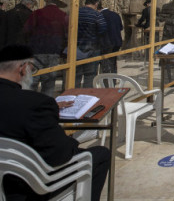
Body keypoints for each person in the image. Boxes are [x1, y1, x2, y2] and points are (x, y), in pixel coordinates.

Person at [0, 45, 110, 201]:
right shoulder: (36, 104)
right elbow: (59, 154)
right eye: (32, 68)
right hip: (29, 186)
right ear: (22, 68)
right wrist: (73, 142)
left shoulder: (35, 104)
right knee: (101, 153)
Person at [23, 0, 69, 95]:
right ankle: (46, 103)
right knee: (49, 80)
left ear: (47, 2)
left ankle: (29, 103)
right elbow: (67, 34)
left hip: (36, 50)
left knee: (33, 79)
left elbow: (27, 30)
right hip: (54, 51)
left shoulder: (36, 13)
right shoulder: (63, 15)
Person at [76, 0, 106, 88]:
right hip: (91, 48)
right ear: (96, 3)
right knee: (90, 75)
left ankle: (72, 97)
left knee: (75, 76)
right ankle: (86, 97)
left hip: (75, 48)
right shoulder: (96, 14)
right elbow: (103, 30)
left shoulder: (75, 12)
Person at [98, 2, 123, 74]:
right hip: (117, 42)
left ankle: (106, 82)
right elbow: (121, 28)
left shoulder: (100, 15)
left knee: (105, 64)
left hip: (106, 43)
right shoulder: (116, 14)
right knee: (113, 62)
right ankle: (113, 81)